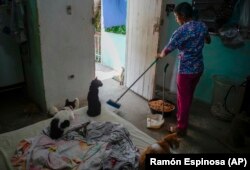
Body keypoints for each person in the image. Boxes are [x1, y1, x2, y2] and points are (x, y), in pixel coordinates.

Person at [158, 2, 211, 137]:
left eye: (176, 17)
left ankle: (181, 128)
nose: (176, 20)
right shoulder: (202, 25)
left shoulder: (181, 31)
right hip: (198, 68)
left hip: (186, 71)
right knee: (188, 97)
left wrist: (159, 55)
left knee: (183, 99)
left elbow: (166, 50)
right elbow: (208, 40)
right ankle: (184, 121)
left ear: (182, 16)